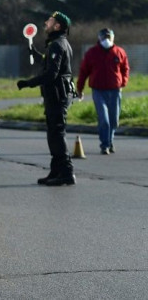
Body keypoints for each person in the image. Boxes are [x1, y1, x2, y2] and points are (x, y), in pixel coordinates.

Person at [17, 11, 76, 186]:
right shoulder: (58, 43)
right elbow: (48, 62)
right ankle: (56, 171)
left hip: (57, 95)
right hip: (56, 95)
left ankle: (66, 173)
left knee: (57, 135)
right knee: (53, 134)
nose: (46, 23)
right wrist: (34, 53)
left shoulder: (57, 45)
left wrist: (28, 83)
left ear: (57, 26)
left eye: (50, 21)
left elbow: (51, 73)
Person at [75, 28, 130, 154]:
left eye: (108, 37)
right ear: (99, 38)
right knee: (104, 118)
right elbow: (84, 72)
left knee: (114, 119)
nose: (106, 39)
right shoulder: (92, 53)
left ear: (112, 38)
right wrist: (79, 88)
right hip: (98, 90)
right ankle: (104, 145)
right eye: (104, 37)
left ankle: (110, 142)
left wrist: (123, 81)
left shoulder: (119, 52)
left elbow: (125, 68)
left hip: (115, 90)